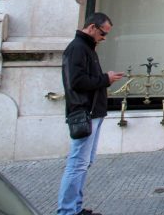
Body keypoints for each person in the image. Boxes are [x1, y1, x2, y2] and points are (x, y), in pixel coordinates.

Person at [57, 12, 125, 215]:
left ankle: (75, 207)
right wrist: (106, 79)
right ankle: (67, 211)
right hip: (85, 112)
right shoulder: (78, 48)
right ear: (93, 27)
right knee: (77, 163)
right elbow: (77, 81)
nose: (104, 38)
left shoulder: (87, 47)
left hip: (93, 112)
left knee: (84, 162)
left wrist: (105, 79)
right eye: (103, 33)